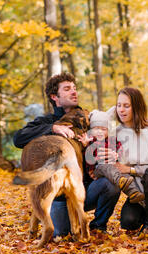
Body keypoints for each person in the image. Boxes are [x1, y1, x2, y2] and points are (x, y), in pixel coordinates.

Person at [13, 72, 121, 236]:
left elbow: (108, 135)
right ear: (54, 96)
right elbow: (18, 138)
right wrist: (53, 129)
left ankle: (98, 226)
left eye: (74, 88)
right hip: (58, 195)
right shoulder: (46, 121)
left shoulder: (87, 119)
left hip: (85, 188)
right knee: (61, 234)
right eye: (67, 89)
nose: (74, 92)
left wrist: (113, 154)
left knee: (110, 184)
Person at [98, 87, 148, 234]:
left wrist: (129, 169)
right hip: (140, 191)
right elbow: (102, 121)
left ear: (137, 107)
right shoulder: (115, 134)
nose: (121, 110)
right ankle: (146, 213)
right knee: (128, 222)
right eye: (119, 105)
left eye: (126, 106)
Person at [80, 108, 145, 203]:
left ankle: (134, 193)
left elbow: (122, 153)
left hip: (113, 170)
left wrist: (117, 155)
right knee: (106, 167)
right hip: (97, 169)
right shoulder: (90, 140)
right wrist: (85, 145)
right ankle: (120, 180)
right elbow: (87, 157)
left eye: (103, 129)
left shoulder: (112, 141)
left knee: (123, 174)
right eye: (96, 128)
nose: (100, 132)